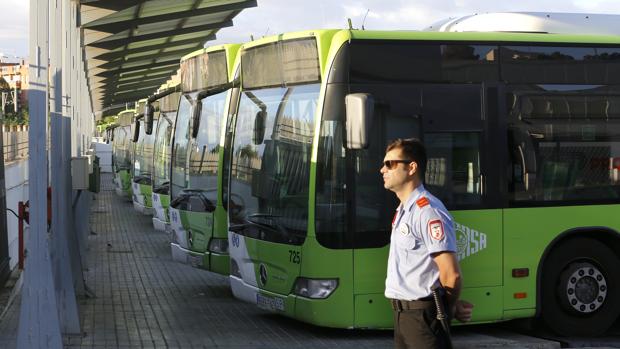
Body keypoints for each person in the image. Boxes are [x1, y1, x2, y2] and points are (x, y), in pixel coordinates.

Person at [381, 138, 473, 349]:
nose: (382, 170)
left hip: (421, 318)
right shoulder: (404, 210)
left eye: (389, 164)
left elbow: (451, 274)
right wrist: (452, 304)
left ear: (411, 167)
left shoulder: (428, 211)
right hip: (403, 317)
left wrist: (445, 307)